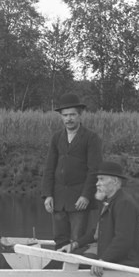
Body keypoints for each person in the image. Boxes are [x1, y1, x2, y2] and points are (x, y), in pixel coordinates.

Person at [41, 93, 103, 251]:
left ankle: (77, 273)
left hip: (79, 200)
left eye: (72, 115)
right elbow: (49, 167)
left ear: (80, 115)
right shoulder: (56, 138)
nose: (69, 119)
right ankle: (60, 273)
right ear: (61, 117)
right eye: (65, 115)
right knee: (60, 240)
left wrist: (86, 195)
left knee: (78, 240)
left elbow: (94, 170)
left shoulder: (91, 138)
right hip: (58, 199)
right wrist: (48, 194)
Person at [67, 161, 139, 275]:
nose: (97, 184)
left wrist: (103, 261)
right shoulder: (109, 201)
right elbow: (97, 232)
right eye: (98, 179)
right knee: (66, 258)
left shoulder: (124, 203)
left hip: (127, 263)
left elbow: (123, 240)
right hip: (108, 257)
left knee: (64, 263)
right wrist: (75, 244)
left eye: (101, 179)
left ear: (114, 181)